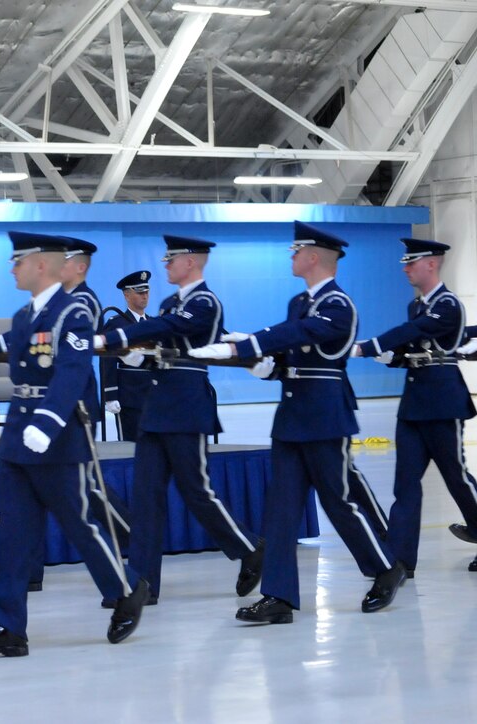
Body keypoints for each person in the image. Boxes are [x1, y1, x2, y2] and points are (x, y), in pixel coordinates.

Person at [190, 221, 407, 624]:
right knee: (281, 510)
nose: (291, 257)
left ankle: (384, 567)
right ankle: (279, 597)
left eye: (296, 252)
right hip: (292, 417)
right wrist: (260, 365)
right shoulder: (298, 302)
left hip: (325, 416)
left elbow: (301, 335)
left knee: (338, 502)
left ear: (313, 257)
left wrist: (248, 343)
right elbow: (292, 356)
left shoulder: (338, 305)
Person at [0, 232, 149, 656]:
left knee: (79, 523)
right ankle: (7, 627)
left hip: (56, 436)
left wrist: (50, 421)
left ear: (41, 265)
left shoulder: (73, 311)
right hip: (19, 432)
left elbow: (73, 371)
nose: (11, 268)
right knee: (16, 533)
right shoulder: (26, 314)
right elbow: (12, 343)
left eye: (18, 261)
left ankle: (126, 590)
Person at [96, 236, 262, 606]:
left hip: (187, 406)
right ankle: (141, 583)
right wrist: (145, 357)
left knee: (197, 492)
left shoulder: (204, 302)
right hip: (158, 407)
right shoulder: (171, 303)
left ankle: (250, 548)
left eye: (171, 259)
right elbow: (166, 344)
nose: (165, 264)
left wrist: (113, 337)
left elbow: (173, 331)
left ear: (190, 262)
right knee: (146, 497)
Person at [351, 238, 477, 576]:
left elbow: (416, 331)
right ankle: (401, 560)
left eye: (412, 262)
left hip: (442, 400)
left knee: (456, 478)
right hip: (414, 402)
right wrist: (391, 357)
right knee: (404, 484)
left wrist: (371, 345)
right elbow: (411, 349)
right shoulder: (416, 305)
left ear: (432, 264)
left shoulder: (448, 304)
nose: (406, 268)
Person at [101, 271, 153, 442]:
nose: (144, 296)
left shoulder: (153, 323)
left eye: (146, 291)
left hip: (153, 395)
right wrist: (110, 394)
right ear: (126, 294)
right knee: (131, 444)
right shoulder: (117, 323)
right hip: (129, 395)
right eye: (139, 292)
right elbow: (107, 359)